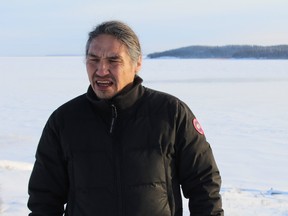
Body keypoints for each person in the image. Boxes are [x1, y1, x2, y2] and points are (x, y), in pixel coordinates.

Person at [28, 20, 224, 216]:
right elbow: (44, 199)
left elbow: (204, 187)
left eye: (113, 60)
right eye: (93, 59)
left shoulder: (171, 113)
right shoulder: (64, 121)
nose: (101, 70)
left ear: (137, 63)